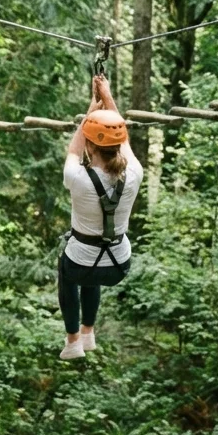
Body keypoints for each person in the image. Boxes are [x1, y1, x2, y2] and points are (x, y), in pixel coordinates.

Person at [58, 75, 143, 360]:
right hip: (118, 266)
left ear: (90, 146)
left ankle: (73, 342)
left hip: (82, 262)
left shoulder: (77, 177)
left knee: (70, 271)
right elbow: (124, 135)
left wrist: (91, 111)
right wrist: (107, 97)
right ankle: (88, 332)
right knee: (90, 267)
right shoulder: (134, 173)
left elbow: (73, 149)